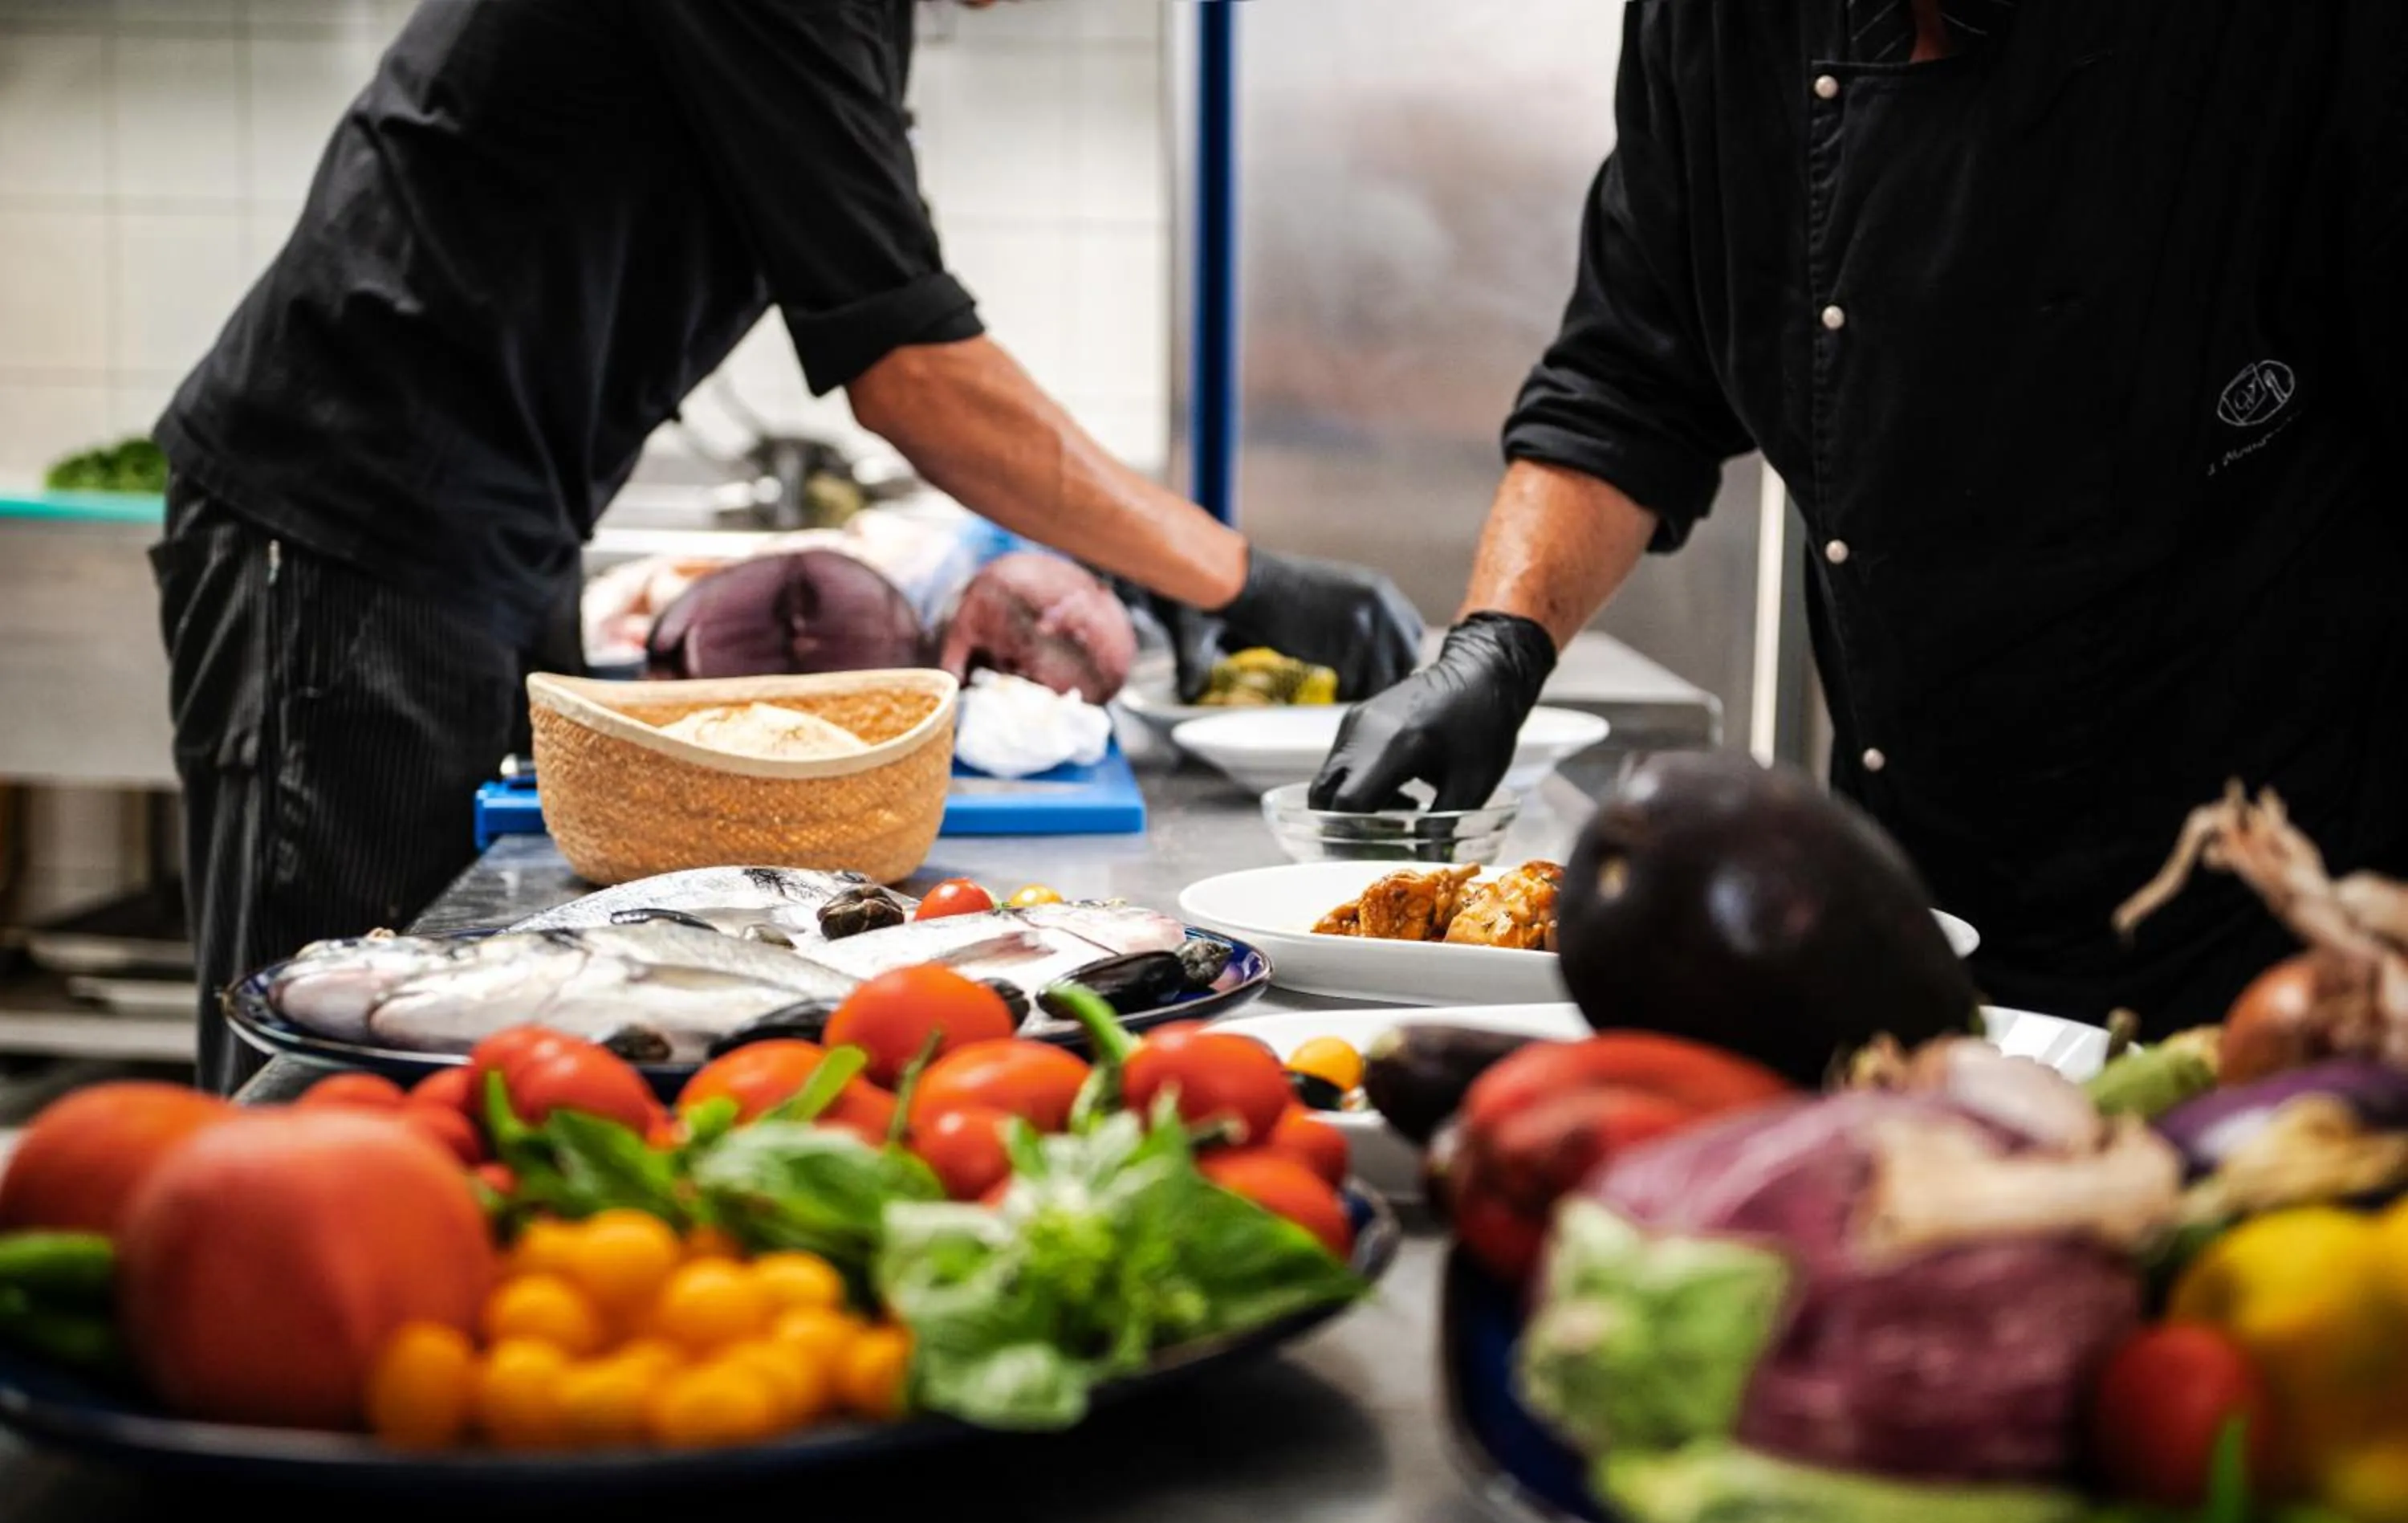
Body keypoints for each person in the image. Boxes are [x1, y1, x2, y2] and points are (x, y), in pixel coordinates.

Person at [153, 0, 1421, 1093]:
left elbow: (904, 312)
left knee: (444, 1041)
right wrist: (1240, 575)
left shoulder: (860, 20)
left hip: (475, 533)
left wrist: (1121, 553)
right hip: (339, 519)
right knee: (328, 1050)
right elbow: (916, 374)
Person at [1311, 0, 2408, 1034]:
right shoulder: (1718, 24)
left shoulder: (2295, 36)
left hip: (2282, 930)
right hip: (1909, 892)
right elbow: (1628, 378)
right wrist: (1500, 641)